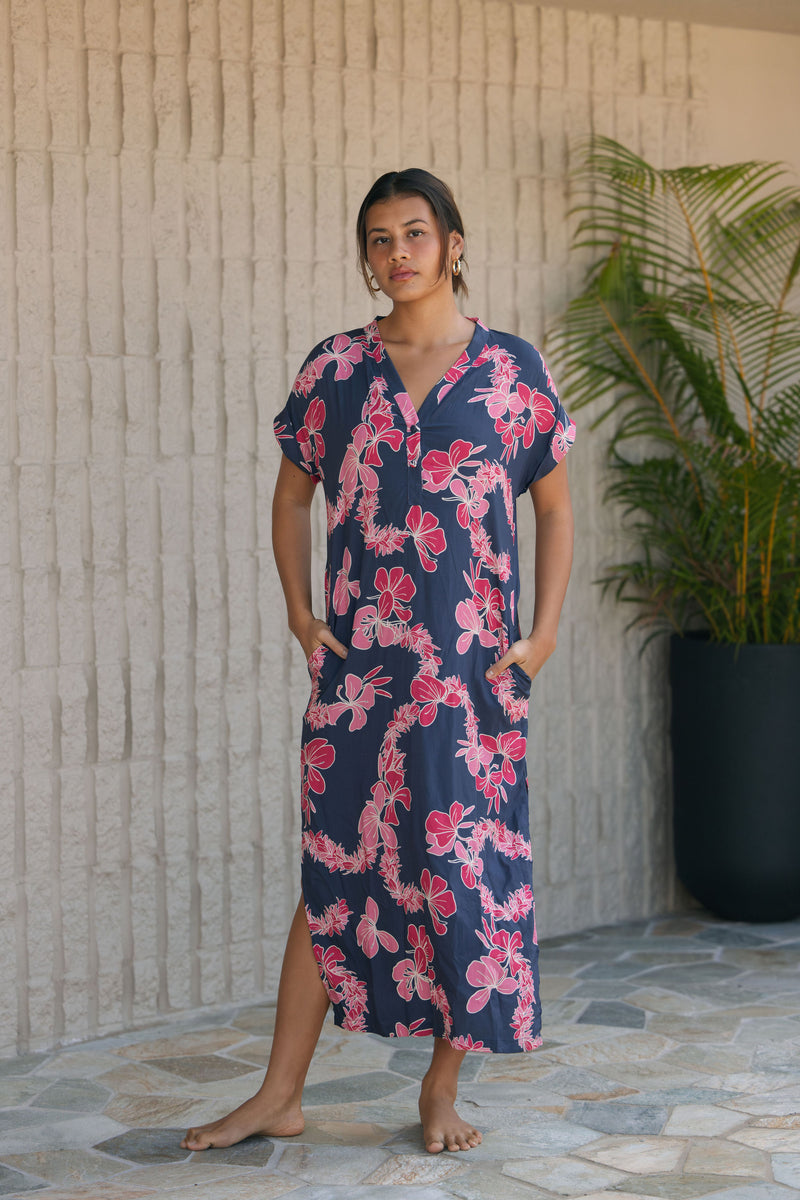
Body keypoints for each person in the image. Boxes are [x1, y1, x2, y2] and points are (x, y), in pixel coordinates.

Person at [182, 168, 575, 1156]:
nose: (396, 253)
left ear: (451, 242)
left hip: (470, 682)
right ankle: (278, 1093)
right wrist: (299, 615)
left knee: (459, 871)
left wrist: (543, 634)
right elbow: (288, 498)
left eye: (413, 233)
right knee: (333, 874)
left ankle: (439, 1093)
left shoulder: (509, 371)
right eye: (377, 239)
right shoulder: (334, 371)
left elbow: (556, 507)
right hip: (360, 681)